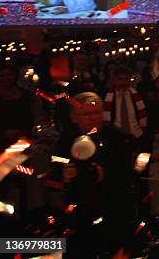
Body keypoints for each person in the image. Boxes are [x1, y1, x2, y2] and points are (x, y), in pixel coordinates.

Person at [54, 92, 143, 257]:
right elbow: (54, 173)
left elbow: (130, 174)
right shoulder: (65, 142)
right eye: (86, 114)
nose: (92, 118)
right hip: (79, 212)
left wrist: (105, 173)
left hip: (114, 209)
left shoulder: (118, 138)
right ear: (74, 117)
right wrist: (64, 175)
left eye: (96, 113)